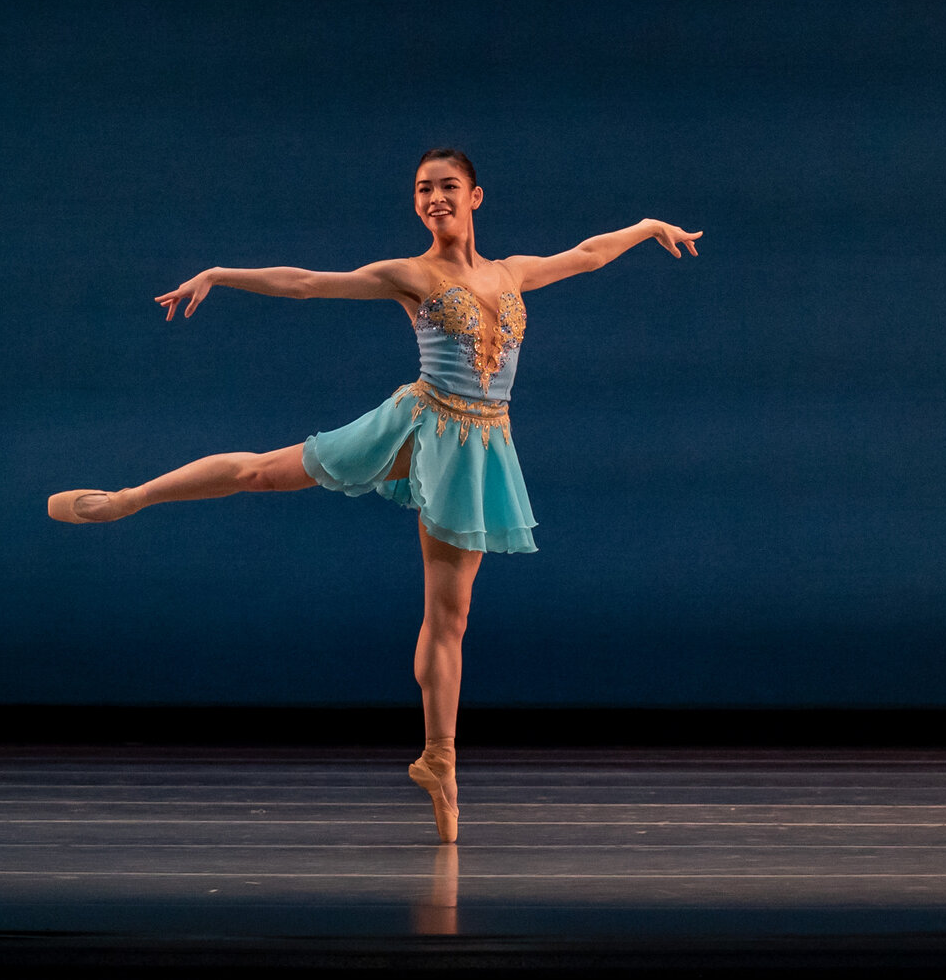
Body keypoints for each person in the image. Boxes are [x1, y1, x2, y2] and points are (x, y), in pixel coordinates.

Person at [45, 147, 701, 842]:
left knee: (451, 616)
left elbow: (589, 253)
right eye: (424, 190)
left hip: (479, 447)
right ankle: (129, 498)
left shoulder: (512, 274)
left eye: (449, 187)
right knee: (263, 471)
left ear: (476, 197)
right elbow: (304, 284)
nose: (436, 198)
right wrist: (219, 274)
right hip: (419, 424)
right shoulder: (408, 274)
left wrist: (647, 225)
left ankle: (439, 763)